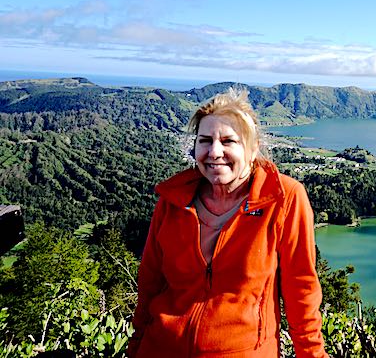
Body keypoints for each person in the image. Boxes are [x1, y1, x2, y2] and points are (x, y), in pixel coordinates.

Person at [128, 88, 328, 357]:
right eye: (205, 140)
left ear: (252, 147)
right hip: (161, 347)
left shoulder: (284, 199)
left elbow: (301, 291)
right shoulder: (173, 200)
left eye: (228, 141)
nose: (214, 152)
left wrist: (312, 354)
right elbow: (150, 281)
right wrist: (136, 344)